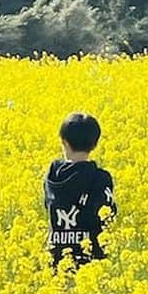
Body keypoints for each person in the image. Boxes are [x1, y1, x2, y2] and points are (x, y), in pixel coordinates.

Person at [45, 112, 116, 268]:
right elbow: (108, 216)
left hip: (56, 260)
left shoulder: (51, 177)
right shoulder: (100, 178)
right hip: (91, 263)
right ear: (95, 144)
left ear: (63, 142)